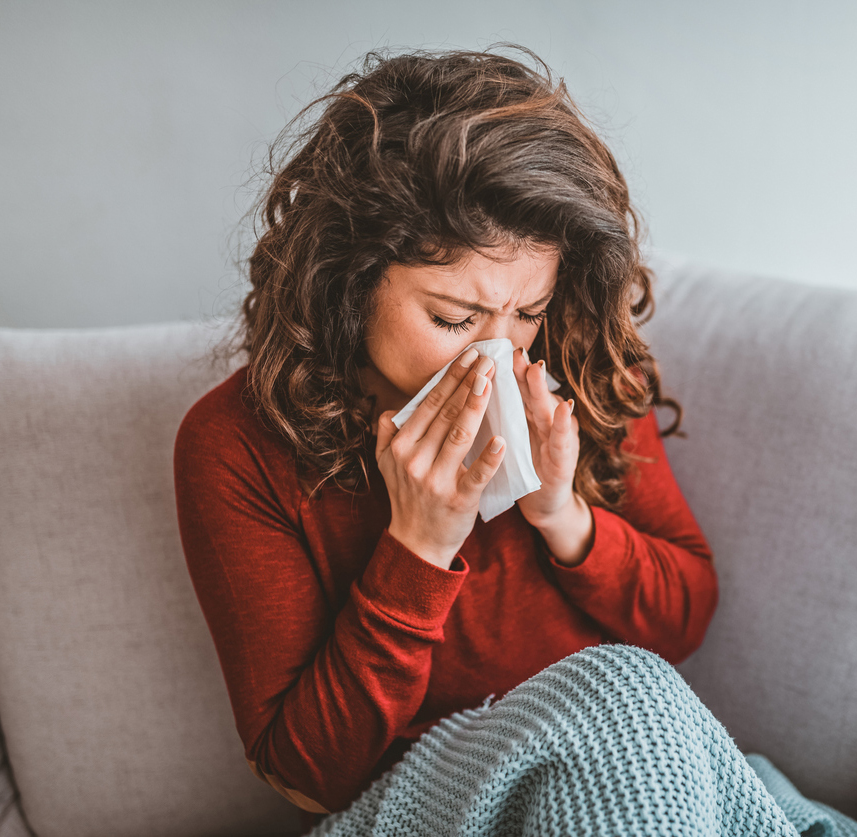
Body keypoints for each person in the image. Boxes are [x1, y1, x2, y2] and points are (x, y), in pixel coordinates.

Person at [173, 44, 720, 831]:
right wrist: (418, 549)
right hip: (418, 805)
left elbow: (686, 619)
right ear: (350, 280)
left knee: (650, 708)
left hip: (625, 766)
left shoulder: (578, 367)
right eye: (453, 318)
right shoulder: (237, 445)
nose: (496, 353)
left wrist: (564, 517)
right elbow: (306, 775)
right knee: (625, 692)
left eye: (526, 313)